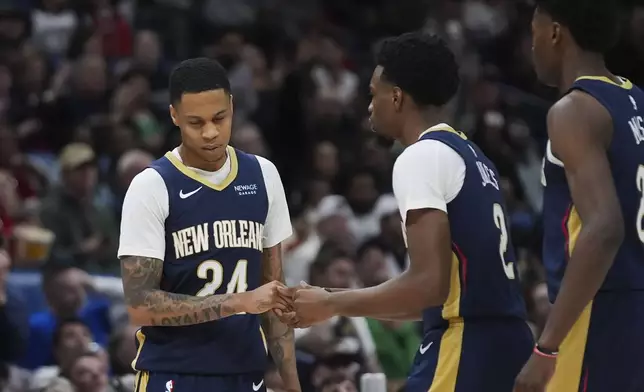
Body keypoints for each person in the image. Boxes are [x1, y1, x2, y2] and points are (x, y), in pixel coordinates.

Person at [282, 32, 533, 391]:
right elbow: (430, 298)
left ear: (396, 96)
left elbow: (427, 286)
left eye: (373, 93)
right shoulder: (474, 156)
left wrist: (330, 301)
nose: (369, 105)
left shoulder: (421, 155)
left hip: (466, 344)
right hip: (508, 342)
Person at [118, 58, 300, 392]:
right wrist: (237, 302)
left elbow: (273, 296)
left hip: (247, 372)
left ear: (232, 105)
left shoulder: (263, 175)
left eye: (219, 118)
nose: (211, 132)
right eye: (195, 122)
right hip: (174, 373)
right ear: (174, 115)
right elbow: (140, 306)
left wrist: (292, 384)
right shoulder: (152, 185)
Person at [514, 1, 644, 391]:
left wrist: (546, 348)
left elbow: (604, 228)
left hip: (600, 313)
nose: (531, 44)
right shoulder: (636, 100)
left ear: (554, 33)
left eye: (534, 31)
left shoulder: (573, 110)